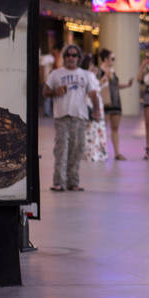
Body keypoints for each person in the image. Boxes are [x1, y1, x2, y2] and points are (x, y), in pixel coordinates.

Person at [42, 44, 101, 191]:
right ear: (64, 57)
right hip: (62, 117)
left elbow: (93, 94)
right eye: (67, 55)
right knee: (61, 150)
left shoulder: (85, 75)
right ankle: (58, 182)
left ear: (79, 58)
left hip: (79, 117)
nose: (70, 58)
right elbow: (45, 92)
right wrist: (55, 91)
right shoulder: (56, 74)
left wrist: (97, 111)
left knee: (77, 150)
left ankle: (73, 182)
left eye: (74, 55)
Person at [97, 49, 132, 160]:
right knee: (102, 128)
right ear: (106, 59)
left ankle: (117, 153)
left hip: (116, 101)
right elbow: (95, 86)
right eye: (112, 59)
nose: (113, 61)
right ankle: (101, 151)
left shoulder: (112, 70)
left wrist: (127, 85)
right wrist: (104, 77)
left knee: (115, 128)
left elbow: (115, 85)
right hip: (106, 102)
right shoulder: (100, 71)